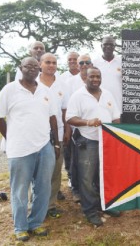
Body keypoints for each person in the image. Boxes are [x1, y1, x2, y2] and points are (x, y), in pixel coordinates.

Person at [0, 57, 59, 241]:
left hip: (44, 146)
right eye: (27, 66)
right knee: (20, 189)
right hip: (20, 149)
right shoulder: (10, 90)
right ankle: (20, 227)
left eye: (34, 66)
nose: (31, 68)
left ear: (39, 69)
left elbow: (53, 117)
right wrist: (10, 137)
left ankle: (36, 223)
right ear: (20, 68)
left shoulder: (45, 91)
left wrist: (56, 142)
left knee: (43, 187)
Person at [66, 66, 121, 226]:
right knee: (87, 178)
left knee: (103, 175)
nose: (95, 79)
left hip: (107, 142)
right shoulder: (78, 96)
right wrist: (87, 122)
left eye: (98, 76)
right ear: (86, 78)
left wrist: (117, 135)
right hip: (87, 141)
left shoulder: (107, 94)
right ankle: (90, 210)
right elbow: (70, 118)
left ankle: (104, 205)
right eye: (92, 77)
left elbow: (116, 117)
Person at [37, 53, 70, 218]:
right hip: (36, 135)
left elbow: (65, 111)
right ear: (40, 64)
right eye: (47, 62)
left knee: (55, 172)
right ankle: (35, 206)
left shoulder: (62, 85)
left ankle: (50, 206)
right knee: (37, 173)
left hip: (58, 134)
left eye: (54, 62)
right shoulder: (32, 83)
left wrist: (68, 130)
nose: (51, 65)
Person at [66, 54, 94, 203]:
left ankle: (91, 191)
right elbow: (65, 108)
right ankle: (76, 190)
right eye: (81, 63)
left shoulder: (96, 81)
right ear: (77, 65)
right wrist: (68, 129)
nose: (84, 65)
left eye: (87, 62)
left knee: (89, 164)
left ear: (91, 64)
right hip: (75, 128)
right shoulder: (70, 83)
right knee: (74, 161)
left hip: (92, 130)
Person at [60, 51, 80, 191]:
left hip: (82, 121)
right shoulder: (62, 78)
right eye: (70, 59)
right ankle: (70, 177)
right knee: (68, 152)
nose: (72, 61)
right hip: (68, 120)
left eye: (75, 59)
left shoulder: (86, 76)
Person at [92, 36, 123, 116]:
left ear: (114, 46)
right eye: (105, 44)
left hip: (119, 105)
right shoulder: (94, 63)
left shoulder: (122, 61)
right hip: (100, 105)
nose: (108, 46)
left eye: (111, 44)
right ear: (101, 46)